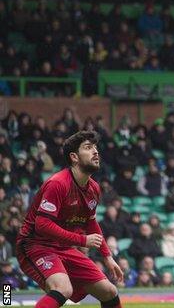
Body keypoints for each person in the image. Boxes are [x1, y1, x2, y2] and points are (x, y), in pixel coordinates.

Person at [15, 131, 124, 308]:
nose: (95, 151)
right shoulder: (57, 183)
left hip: (63, 247)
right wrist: (82, 240)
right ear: (74, 157)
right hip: (35, 245)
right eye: (88, 148)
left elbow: (90, 223)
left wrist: (108, 257)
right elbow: (43, 225)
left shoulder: (94, 188)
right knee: (63, 289)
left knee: (109, 291)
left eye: (95, 147)